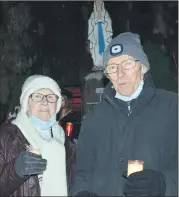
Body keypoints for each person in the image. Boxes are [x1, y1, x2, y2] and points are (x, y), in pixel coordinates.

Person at [70, 32, 177, 196]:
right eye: (112, 67)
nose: (120, 74)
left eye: (127, 64)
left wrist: (165, 185)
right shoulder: (94, 117)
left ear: (143, 67)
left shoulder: (172, 107)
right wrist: (81, 192)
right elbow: (82, 172)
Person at [0, 75, 68, 196]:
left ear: (57, 104)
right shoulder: (6, 136)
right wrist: (16, 170)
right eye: (37, 96)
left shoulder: (67, 142)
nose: (45, 102)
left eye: (50, 97)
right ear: (26, 103)